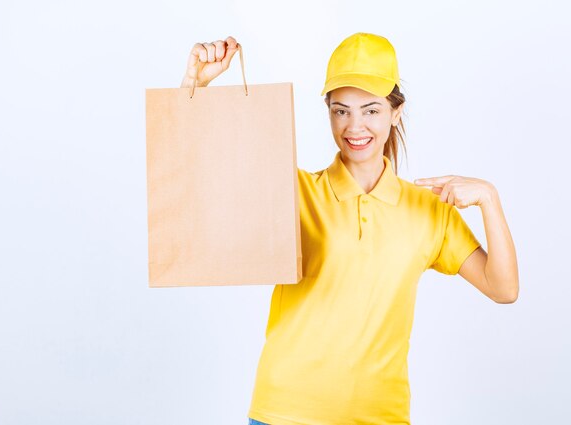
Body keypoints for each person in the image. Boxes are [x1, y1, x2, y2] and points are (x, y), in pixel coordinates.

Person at [181, 33, 519, 425]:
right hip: (284, 413)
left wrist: (489, 199)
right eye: (341, 111)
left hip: (380, 417)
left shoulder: (429, 208)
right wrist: (195, 87)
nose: (355, 126)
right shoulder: (297, 191)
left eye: (371, 110)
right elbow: (205, 185)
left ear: (396, 112)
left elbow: (504, 288)